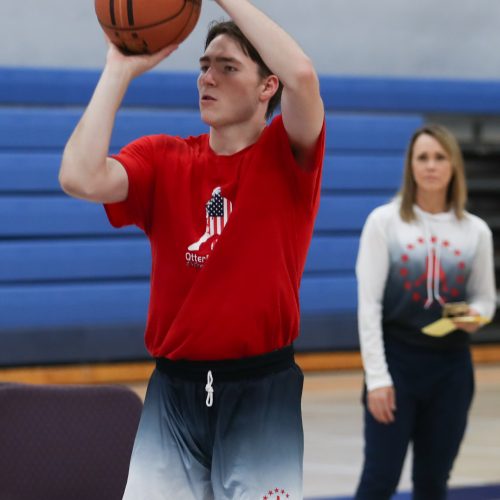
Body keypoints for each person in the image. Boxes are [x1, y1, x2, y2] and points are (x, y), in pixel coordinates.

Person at [59, 1, 325, 498]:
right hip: (173, 393)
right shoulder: (162, 158)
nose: (208, 78)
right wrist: (118, 68)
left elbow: (303, 75)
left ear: (268, 86)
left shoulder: (284, 156)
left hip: (261, 390)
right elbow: (77, 176)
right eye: (204, 66)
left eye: (228, 68)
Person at [353, 124, 496, 500]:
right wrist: (378, 378)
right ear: (410, 166)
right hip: (397, 365)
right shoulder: (384, 223)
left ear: (454, 166)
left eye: (439, 157)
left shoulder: (476, 231)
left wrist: (476, 315)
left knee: (433, 483)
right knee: (379, 481)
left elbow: (486, 298)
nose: (431, 166)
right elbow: (369, 306)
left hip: (452, 371)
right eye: (422, 157)